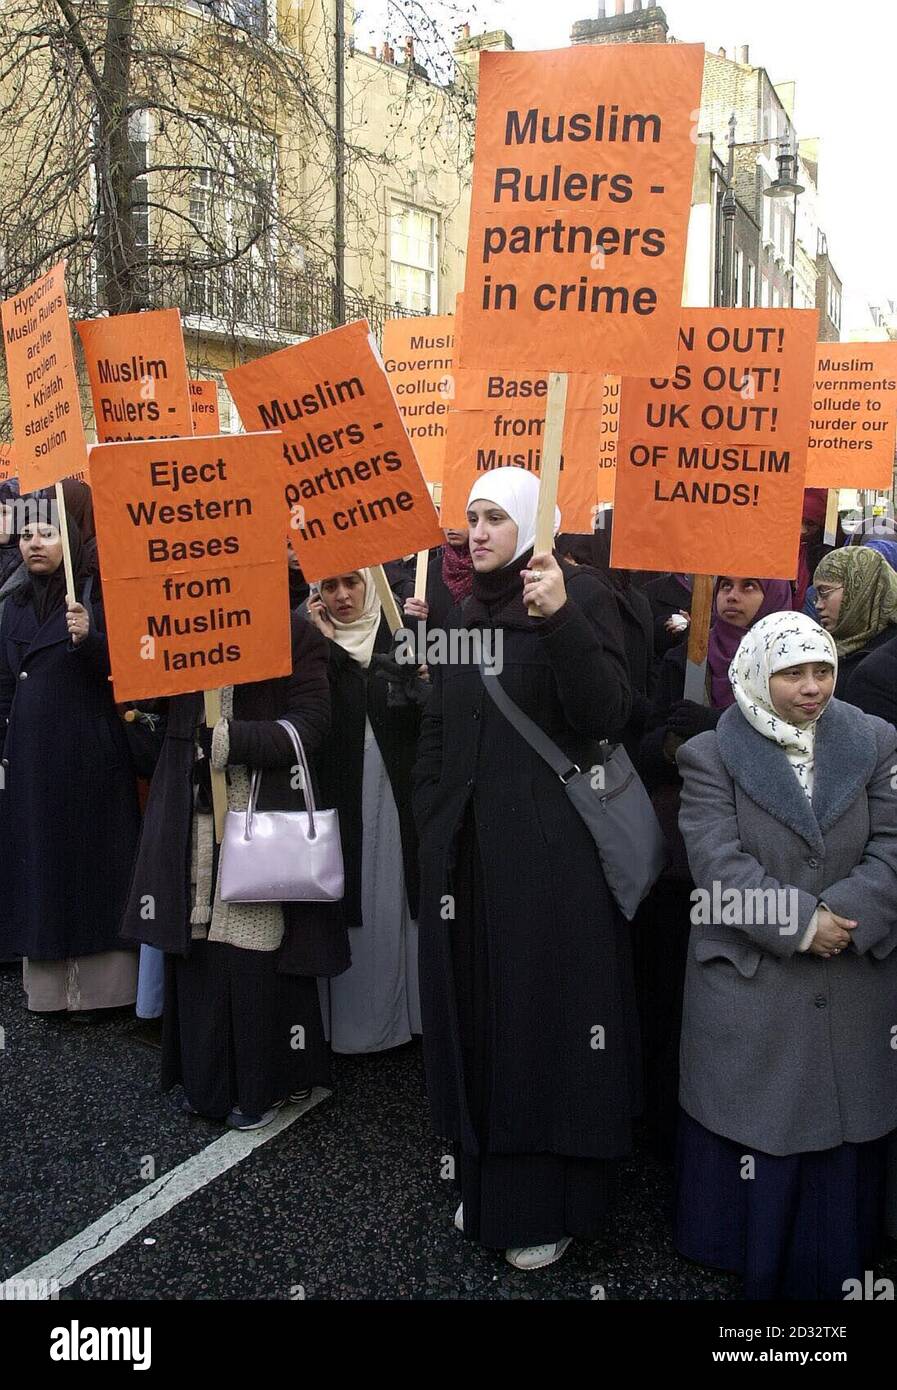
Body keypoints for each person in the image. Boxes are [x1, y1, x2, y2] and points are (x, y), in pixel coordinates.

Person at [413, 467, 640, 1271]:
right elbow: (438, 733)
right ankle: (488, 1178)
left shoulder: (580, 599)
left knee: (539, 1029)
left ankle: (545, 1203)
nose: (475, 532)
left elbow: (608, 715)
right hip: (469, 863)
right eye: (469, 518)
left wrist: (562, 624)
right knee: (479, 1019)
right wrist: (429, 841)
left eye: (494, 519)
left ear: (531, 525)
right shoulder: (459, 607)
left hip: (550, 871)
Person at [674, 611, 897, 1300]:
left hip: (853, 965)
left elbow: (892, 843)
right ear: (756, 674)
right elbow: (716, 868)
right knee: (766, 1118)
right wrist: (801, 924)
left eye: (822, 670)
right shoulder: (709, 754)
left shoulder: (875, 740)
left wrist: (843, 917)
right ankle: (752, 1252)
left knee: (841, 1115)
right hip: (755, 973)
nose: (811, 688)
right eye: (791, 673)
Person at [119, 607, 344, 1129]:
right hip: (190, 820)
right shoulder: (181, 625)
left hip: (260, 819)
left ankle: (264, 1085)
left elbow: (311, 725)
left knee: (255, 957)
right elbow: (147, 707)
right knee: (195, 949)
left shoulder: (295, 632)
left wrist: (230, 740)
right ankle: (204, 1083)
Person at [634, 576, 793, 1154]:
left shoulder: (795, 667)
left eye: (750, 587)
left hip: (757, 865)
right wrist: (670, 746)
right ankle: (666, 1120)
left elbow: (796, 765)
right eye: (723, 585)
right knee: (669, 989)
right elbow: (641, 748)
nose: (732, 597)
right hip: (681, 862)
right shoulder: (681, 660)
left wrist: (718, 737)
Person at [0, 504, 141, 1016]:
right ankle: (52, 992)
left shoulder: (100, 592)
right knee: (43, 870)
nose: (34, 543)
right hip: (32, 764)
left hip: (91, 758)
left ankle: (105, 994)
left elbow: (137, 667)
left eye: (48, 531)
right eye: (27, 533)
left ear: (73, 534)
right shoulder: (12, 601)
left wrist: (93, 641)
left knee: (93, 869)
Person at [307, 568, 423, 1054]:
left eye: (352, 583)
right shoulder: (311, 643)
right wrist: (324, 647)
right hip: (340, 799)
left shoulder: (403, 631)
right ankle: (352, 1027)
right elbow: (316, 714)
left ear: (370, 586)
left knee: (392, 895)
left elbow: (422, 714)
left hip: (393, 797)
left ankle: (405, 1016)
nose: (342, 595)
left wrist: (422, 673)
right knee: (349, 896)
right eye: (329, 586)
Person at [555, 529, 655, 761]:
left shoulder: (626, 598)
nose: (569, 568)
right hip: (609, 741)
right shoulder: (586, 597)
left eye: (575, 560)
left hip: (627, 737)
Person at [813, 546, 897, 697]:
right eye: (816, 596)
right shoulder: (826, 647)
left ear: (859, 588)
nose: (818, 605)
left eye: (824, 592)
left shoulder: (884, 664)